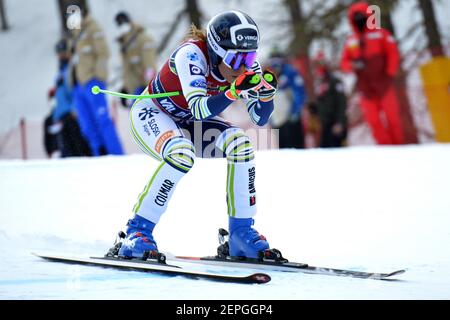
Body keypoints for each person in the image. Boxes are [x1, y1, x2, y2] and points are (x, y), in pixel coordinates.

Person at [118, 11, 278, 260]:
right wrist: (234, 91)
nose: (244, 66)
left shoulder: (246, 66)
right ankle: (136, 232)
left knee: (242, 145)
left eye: (250, 57)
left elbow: (259, 118)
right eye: (236, 60)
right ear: (216, 51)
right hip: (154, 113)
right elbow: (199, 108)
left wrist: (266, 97)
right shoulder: (191, 55)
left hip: (191, 121)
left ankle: (240, 233)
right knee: (181, 153)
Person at [340, 1, 403, 145]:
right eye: (356, 17)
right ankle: (385, 147)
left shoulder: (381, 34)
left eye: (361, 16)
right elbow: (344, 63)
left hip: (383, 83)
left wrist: (390, 72)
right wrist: (353, 65)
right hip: (365, 87)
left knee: (392, 117)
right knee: (373, 120)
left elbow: (393, 53)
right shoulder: (351, 41)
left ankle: (399, 146)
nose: (359, 19)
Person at [69, 7, 124, 156]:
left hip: (92, 81)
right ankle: (99, 154)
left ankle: (117, 154)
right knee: (87, 125)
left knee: (102, 119)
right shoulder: (74, 36)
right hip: (78, 84)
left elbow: (103, 52)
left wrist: (98, 76)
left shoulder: (93, 28)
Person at [115, 11, 157, 107]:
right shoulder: (123, 42)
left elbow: (149, 64)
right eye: (119, 24)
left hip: (144, 87)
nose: (122, 25)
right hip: (133, 88)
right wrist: (125, 88)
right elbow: (126, 68)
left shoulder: (142, 38)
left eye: (123, 22)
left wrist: (150, 87)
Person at [266, 52, 306, 148]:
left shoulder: (290, 72)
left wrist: (295, 111)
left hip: (290, 118)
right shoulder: (269, 75)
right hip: (278, 119)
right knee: (282, 147)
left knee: (294, 146)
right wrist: (270, 118)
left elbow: (299, 92)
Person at [313, 52, 348, 148]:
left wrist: (339, 122)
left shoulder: (335, 81)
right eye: (317, 64)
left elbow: (342, 102)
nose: (319, 67)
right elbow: (321, 102)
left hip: (335, 124)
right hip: (325, 124)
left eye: (321, 63)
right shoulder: (318, 82)